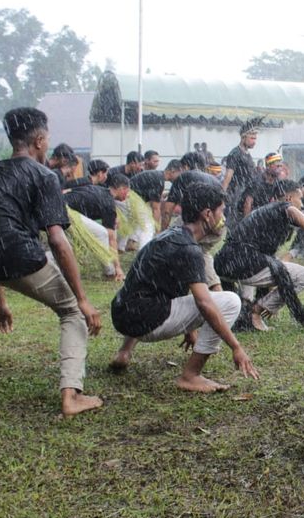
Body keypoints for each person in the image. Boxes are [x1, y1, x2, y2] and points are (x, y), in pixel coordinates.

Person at [0, 108, 103, 416]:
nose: (48, 144)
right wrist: (82, 299)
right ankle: (71, 395)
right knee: (70, 312)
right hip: (11, 251)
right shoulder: (43, 175)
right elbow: (56, 239)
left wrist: (0, 300)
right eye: (47, 138)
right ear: (39, 140)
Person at [109, 182, 259, 392]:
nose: (223, 217)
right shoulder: (190, 250)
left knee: (143, 292)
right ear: (207, 214)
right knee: (230, 301)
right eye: (221, 211)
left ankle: (123, 353)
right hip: (143, 322)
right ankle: (191, 375)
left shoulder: (168, 236)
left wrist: (188, 329)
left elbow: (159, 283)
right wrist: (237, 347)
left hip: (121, 313)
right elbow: (205, 304)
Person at [214, 179, 304, 332]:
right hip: (241, 264)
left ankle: (248, 308)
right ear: (288, 198)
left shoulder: (265, 212)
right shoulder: (283, 207)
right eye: (299, 199)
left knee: (274, 265)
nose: (302, 204)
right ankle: (256, 311)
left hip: (227, 265)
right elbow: (292, 211)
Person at [161, 152, 222, 290]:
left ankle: (177, 284)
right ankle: (215, 290)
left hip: (202, 221)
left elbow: (167, 210)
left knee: (172, 241)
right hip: (220, 224)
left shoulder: (184, 177)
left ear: (186, 166)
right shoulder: (213, 180)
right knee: (200, 253)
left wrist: (162, 233)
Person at [64, 172, 129, 281]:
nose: (128, 195)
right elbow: (111, 238)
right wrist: (118, 267)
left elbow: (69, 191)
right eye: (128, 191)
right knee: (103, 234)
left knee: (67, 245)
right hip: (65, 211)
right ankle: (111, 272)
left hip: (58, 207)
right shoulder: (108, 203)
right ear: (122, 189)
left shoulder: (100, 190)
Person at [222, 121, 258, 222]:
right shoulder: (235, 153)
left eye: (255, 139)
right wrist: (221, 196)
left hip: (246, 194)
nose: (254, 141)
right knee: (234, 225)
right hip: (236, 195)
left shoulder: (247, 154)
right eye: (252, 138)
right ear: (243, 137)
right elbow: (228, 177)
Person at [241, 151, 289, 216]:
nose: (280, 169)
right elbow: (247, 203)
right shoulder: (257, 182)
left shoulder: (277, 182)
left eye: (281, 166)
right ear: (268, 166)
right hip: (253, 217)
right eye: (277, 166)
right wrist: (247, 223)